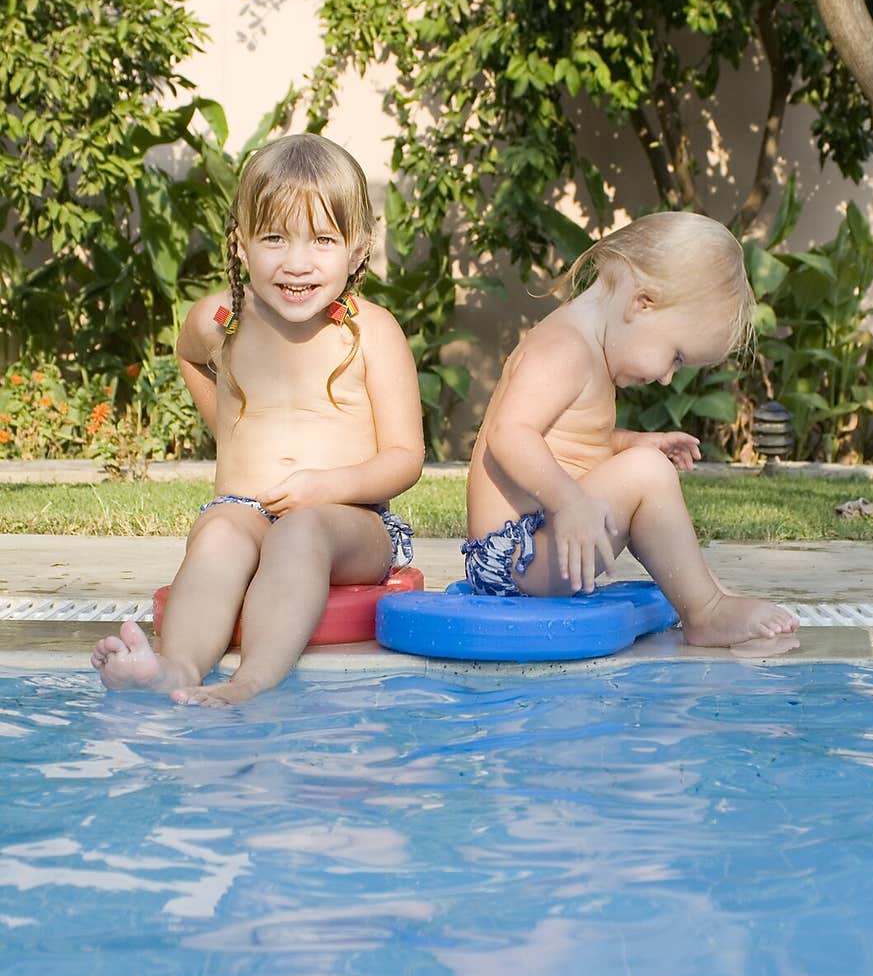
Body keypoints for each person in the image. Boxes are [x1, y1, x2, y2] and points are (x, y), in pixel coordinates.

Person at [92, 133, 424, 705]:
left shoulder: (370, 331)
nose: (296, 263)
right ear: (242, 246)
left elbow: (406, 458)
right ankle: (177, 669)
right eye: (274, 238)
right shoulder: (221, 320)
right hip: (247, 510)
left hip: (351, 523)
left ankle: (250, 680)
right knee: (219, 533)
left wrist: (327, 487)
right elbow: (190, 355)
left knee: (301, 530)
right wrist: (228, 427)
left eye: (322, 239)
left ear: (357, 248)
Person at [463, 211, 799, 648]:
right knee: (644, 473)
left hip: (531, 549)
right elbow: (509, 434)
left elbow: (572, 440)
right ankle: (706, 612)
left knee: (643, 465)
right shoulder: (565, 347)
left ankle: (711, 595)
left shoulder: (588, 347)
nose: (666, 378)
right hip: (512, 557)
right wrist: (570, 502)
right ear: (642, 303)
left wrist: (634, 442)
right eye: (676, 357)